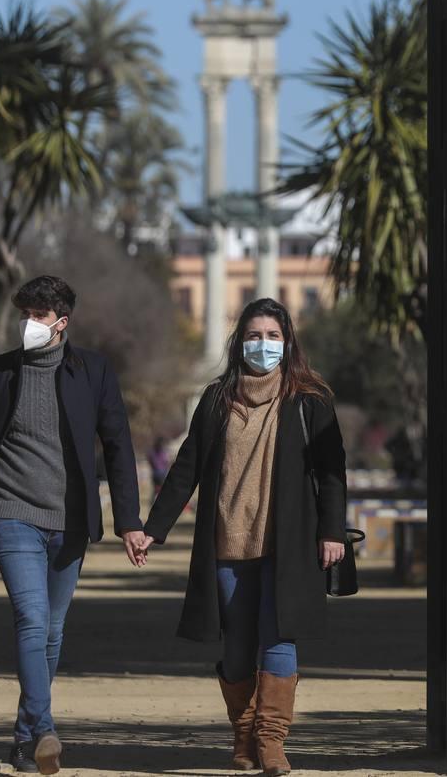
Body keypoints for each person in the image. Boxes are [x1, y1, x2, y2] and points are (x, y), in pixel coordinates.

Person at [137, 297, 347, 776]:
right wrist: (154, 529)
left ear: (288, 342)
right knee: (235, 649)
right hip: (228, 542)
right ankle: (242, 732)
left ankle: (272, 742)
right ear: (239, 343)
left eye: (273, 336)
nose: (263, 345)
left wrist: (333, 530)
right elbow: (186, 466)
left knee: (279, 638)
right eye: (254, 335)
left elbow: (332, 471)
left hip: (288, 544)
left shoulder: (309, 401)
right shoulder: (215, 400)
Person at [0, 275, 148, 775]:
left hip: (70, 522)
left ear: (62, 323)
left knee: (53, 632)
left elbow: (119, 446)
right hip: (14, 517)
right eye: (25, 314)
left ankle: (23, 737)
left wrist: (129, 522)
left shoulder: (94, 372)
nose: (29, 325)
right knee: (32, 621)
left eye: (38, 316)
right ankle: (44, 730)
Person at [146, 436, 172, 501]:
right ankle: (157, 501)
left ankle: (154, 501)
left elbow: (150, 460)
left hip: (158, 473)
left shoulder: (153, 452)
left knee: (157, 489)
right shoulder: (162, 452)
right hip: (160, 474)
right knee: (160, 489)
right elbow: (166, 462)